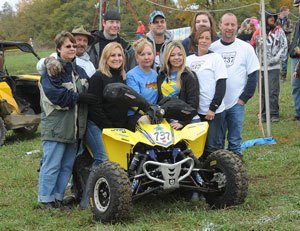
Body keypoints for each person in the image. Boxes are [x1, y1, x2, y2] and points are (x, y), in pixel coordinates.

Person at [37, 31, 95, 209]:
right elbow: (55, 96)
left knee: (66, 166)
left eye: (73, 46)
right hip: (56, 127)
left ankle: (58, 198)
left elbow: (93, 87)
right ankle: (45, 200)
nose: (72, 48)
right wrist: (79, 97)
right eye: (67, 46)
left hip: (74, 129)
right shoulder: (53, 70)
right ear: (58, 49)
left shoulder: (80, 70)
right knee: (52, 164)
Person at [210, 13, 260, 159]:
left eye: (233, 24)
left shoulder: (246, 48)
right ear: (220, 25)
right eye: (226, 24)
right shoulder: (213, 48)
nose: (230, 28)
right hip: (217, 106)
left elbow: (253, 75)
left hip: (236, 104)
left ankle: (237, 174)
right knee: (217, 143)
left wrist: (243, 99)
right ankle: (219, 172)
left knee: (235, 143)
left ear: (237, 26)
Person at [186, 26, 227, 155]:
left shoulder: (216, 58)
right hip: (196, 112)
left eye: (207, 38)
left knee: (213, 147)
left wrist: (213, 108)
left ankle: (218, 173)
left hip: (213, 112)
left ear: (211, 41)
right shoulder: (188, 60)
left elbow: (221, 85)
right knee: (198, 149)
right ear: (196, 40)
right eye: (201, 38)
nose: (204, 41)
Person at [86, 42, 128, 165]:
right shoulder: (98, 77)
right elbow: (94, 107)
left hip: (114, 126)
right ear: (105, 58)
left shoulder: (122, 77)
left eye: (119, 55)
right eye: (112, 55)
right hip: (96, 125)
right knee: (102, 158)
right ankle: (92, 183)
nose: (117, 58)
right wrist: (109, 126)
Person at [252, 11, 287, 122]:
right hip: (260, 66)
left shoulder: (279, 31)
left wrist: (276, 58)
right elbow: (252, 47)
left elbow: (284, 46)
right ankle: (263, 114)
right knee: (262, 91)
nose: (272, 19)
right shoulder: (258, 32)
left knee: (272, 91)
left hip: (273, 66)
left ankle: (273, 114)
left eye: (274, 17)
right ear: (265, 18)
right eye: (270, 17)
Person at [157, 41, 199, 129]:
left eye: (180, 54)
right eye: (172, 55)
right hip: (167, 121)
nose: (177, 58)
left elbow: (193, 102)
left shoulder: (189, 75)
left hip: (186, 121)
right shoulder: (161, 75)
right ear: (167, 57)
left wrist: (182, 122)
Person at [126, 38, 158, 130]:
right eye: (142, 54)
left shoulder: (155, 74)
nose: (146, 57)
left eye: (149, 54)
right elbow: (136, 102)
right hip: (137, 115)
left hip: (154, 113)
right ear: (137, 58)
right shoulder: (131, 75)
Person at [276, 6, 293, 81]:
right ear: (283, 11)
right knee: (276, 59)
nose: (289, 12)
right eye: (288, 11)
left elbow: (291, 29)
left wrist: (281, 29)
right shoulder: (276, 19)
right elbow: (274, 28)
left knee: (284, 60)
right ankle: (276, 76)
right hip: (276, 42)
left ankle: (283, 77)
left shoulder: (289, 20)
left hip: (286, 42)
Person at [290, 1, 300, 121]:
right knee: (296, 86)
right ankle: (298, 112)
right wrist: (292, 48)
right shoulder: (298, 22)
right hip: (295, 57)